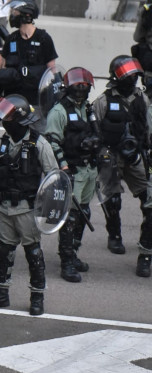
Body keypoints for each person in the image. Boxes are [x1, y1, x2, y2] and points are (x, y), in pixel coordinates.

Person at [0, 94, 58, 316]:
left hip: (27, 208)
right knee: (4, 251)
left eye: (8, 118)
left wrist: (49, 211)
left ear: (21, 119)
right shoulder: (2, 143)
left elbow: (53, 179)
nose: (5, 123)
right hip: (4, 207)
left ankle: (37, 296)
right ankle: (1, 294)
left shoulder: (39, 144)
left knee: (33, 252)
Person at [93, 56, 152, 277]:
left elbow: (147, 126)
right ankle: (114, 235)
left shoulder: (142, 99)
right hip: (112, 155)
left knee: (148, 197)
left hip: (135, 154)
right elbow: (95, 127)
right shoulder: (104, 100)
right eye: (128, 74)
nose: (133, 78)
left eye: (134, 74)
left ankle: (146, 243)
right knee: (113, 199)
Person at [44, 67, 98, 283]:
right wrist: (64, 167)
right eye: (78, 85)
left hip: (89, 169)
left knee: (84, 212)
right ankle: (66, 261)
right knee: (70, 218)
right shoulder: (59, 111)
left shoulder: (88, 108)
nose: (81, 89)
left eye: (85, 86)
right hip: (72, 170)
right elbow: (52, 141)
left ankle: (73, 253)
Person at [0, 1, 58, 109]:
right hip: (14, 100)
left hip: (37, 101)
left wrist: (55, 97)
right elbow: (4, 69)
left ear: (27, 14)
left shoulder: (43, 38)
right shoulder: (11, 39)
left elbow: (52, 70)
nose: (12, 15)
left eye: (14, 12)